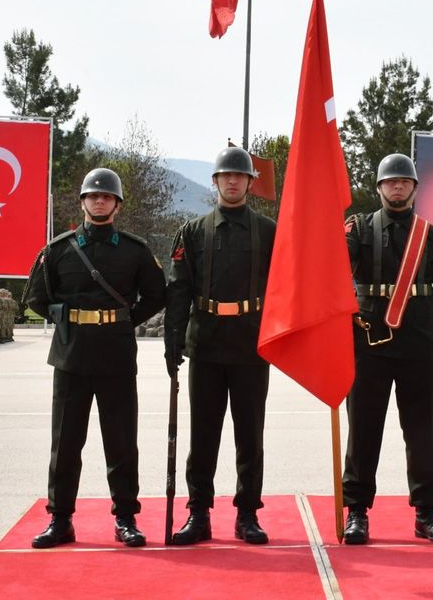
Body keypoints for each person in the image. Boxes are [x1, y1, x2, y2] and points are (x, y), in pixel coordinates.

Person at [24, 168, 167, 550]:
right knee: (65, 443)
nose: (99, 201)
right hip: (71, 356)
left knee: (121, 441)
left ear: (117, 205)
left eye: (106, 197)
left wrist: (124, 321)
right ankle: (60, 519)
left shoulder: (135, 251)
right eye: (93, 196)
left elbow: (157, 295)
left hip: (116, 355)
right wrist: (66, 320)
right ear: (83, 202)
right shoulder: (58, 250)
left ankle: (125, 518)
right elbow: (37, 297)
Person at [341, 153, 433, 545]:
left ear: (414, 188)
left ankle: (426, 511)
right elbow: (336, 269)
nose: (397, 187)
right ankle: (356, 511)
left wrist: (417, 311)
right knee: (363, 431)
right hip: (369, 343)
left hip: (418, 346)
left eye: (404, 181)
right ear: (379, 187)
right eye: (390, 181)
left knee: (421, 431)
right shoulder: (359, 229)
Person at [164, 147, 278, 546]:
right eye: (225, 175)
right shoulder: (194, 231)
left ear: (250, 182)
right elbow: (179, 289)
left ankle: (247, 513)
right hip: (207, 344)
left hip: (250, 344)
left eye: (239, 175)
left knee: (250, 435)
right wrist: (173, 340)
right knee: (203, 434)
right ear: (214, 181)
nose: (232, 180)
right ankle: (199, 512)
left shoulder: (268, 231)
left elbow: (284, 288)